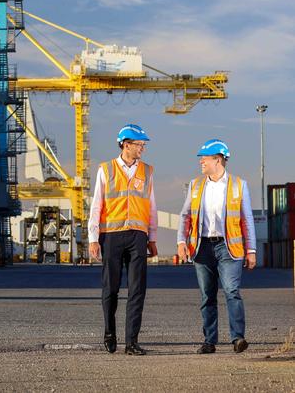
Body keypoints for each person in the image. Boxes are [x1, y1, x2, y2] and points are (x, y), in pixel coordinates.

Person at [177, 139, 257, 354]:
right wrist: (181, 241)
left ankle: (238, 338)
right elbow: (185, 215)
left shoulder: (239, 185)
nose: (201, 161)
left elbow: (246, 219)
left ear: (218, 159)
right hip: (202, 246)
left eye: (205, 157)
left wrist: (251, 250)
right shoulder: (195, 185)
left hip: (229, 247)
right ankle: (209, 341)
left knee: (232, 290)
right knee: (207, 295)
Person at [88, 124, 158, 355]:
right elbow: (97, 204)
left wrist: (153, 237)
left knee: (137, 289)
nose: (142, 149)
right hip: (111, 237)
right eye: (139, 145)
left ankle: (131, 342)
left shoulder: (147, 171)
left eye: (143, 145)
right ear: (126, 145)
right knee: (111, 288)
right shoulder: (105, 170)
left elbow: (152, 206)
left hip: (138, 236)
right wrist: (93, 237)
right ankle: (110, 332)